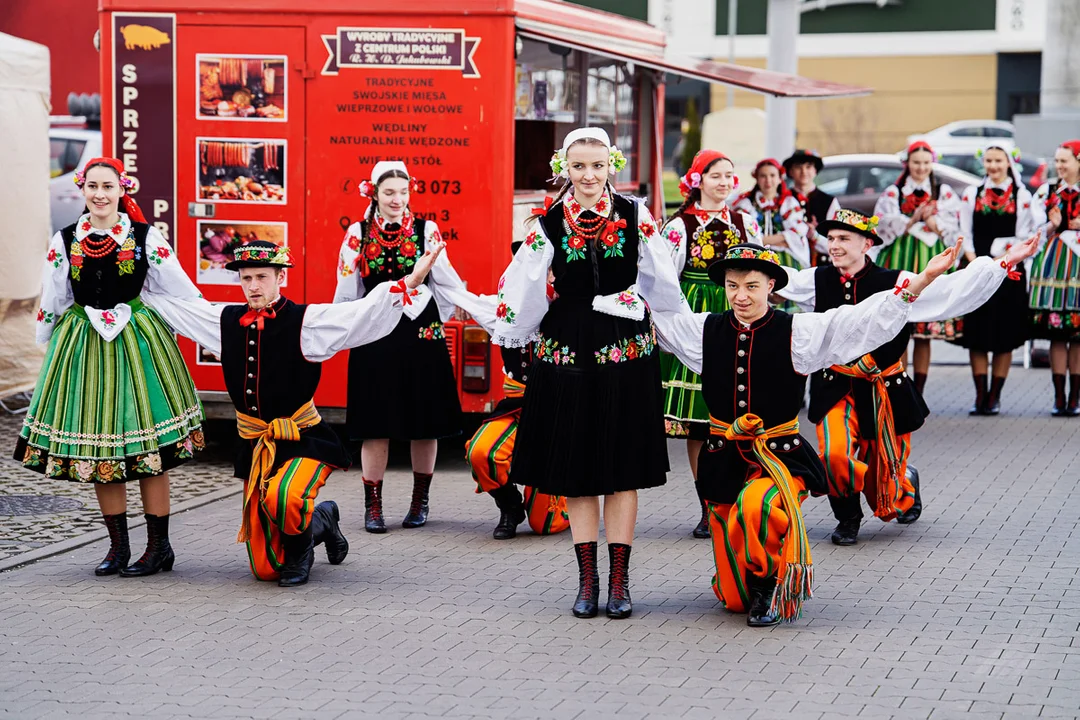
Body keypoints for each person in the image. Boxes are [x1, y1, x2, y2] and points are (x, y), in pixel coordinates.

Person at [653, 241, 963, 626]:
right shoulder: (705, 329)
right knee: (732, 597)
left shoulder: (796, 331)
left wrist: (925, 279)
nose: (740, 295)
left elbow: (859, 320)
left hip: (780, 457)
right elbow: (655, 317)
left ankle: (769, 587)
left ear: (771, 287)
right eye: (733, 286)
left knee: (758, 507)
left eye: (751, 286)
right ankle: (748, 586)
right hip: (724, 458)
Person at [154, 239, 445, 586]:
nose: (253, 286)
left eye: (262, 277)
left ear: (281, 278)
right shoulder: (226, 319)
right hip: (256, 444)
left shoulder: (306, 321)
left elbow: (359, 313)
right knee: (265, 569)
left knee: (285, 496)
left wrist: (409, 283)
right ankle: (323, 520)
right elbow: (180, 309)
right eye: (246, 278)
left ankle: (301, 553)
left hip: (302, 438)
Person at [492, 127, 687, 619]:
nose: (588, 176)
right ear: (564, 168)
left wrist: (667, 324)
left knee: (622, 469)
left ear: (610, 167)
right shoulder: (547, 223)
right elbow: (526, 289)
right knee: (578, 471)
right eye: (578, 166)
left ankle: (619, 581)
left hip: (625, 348)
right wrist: (516, 336)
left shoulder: (636, 215)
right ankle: (587, 580)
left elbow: (661, 283)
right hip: (569, 348)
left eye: (597, 166)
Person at [777, 209, 1039, 546]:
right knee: (834, 456)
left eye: (844, 239)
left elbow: (948, 290)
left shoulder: (897, 280)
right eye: (831, 239)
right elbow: (778, 278)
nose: (835, 245)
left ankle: (906, 482)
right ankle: (847, 518)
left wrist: (1003, 261)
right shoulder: (817, 279)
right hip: (836, 386)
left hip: (883, 388)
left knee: (883, 485)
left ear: (867, 244)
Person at [13, 157, 205, 578]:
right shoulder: (65, 239)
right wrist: (51, 344)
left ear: (122, 190)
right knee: (102, 447)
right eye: (92, 186)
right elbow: (54, 295)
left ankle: (159, 548)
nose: (100, 194)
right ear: (82, 190)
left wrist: (204, 325)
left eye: (108, 186)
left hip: (138, 344)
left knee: (149, 452)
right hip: (85, 345)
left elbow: (179, 288)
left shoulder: (144, 236)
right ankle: (118, 548)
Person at [334, 161, 483, 532]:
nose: (397, 199)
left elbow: (445, 281)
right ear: (374, 193)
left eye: (403, 192)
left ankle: (420, 501)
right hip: (375, 331)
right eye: (389, 192)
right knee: (375, 423)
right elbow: (346, 289)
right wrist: (342, 327)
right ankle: (373, 506)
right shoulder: (357, 233)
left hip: (420, 331)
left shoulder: (426, 230)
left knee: (424, 422)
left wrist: (448, 311)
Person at [660, 149, 762, 539]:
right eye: (716, 176)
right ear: (697, 181)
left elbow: (761, 268)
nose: (724, 183)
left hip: (738, 312)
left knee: (739, 411)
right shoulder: (679, 227)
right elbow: (667, 282)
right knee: (700, 423)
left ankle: (740, 496)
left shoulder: (744, 221)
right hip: (697, 318)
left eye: (729, 176)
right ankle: (708, 504)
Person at [464, 286, 570, 540]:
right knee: (481, 452)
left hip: (554, 412)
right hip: (515, 406)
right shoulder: (502, 310)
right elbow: (458, 292)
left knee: (545, 524)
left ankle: (564, 492)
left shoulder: (571, 307)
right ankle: (510, 506)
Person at [873, 141, 962, 394]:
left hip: (929, 258)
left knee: (924, 330)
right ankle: (899, 385)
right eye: (916, 163)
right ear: (907, 164)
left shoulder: (943, 191)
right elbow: (882, 224)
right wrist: (912, 219)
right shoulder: (894, 191)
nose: (921, 168)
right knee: (900, 327)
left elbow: (954, 225)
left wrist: (934, 222)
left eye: (925, 163)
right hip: (900, 258)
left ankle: (918, 390)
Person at [957, 145, 1035, 415]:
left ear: (1008, 162)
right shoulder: (972, 194)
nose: (993, 166)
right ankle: (980, 395)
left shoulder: (1022, 195)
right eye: (989, 160)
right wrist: (974, 262)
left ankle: (995, 396)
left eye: (998, 160)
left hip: (1009, 271)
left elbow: (1026, 235)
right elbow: (964, 232)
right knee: (977, 334)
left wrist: (1004, 258)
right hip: (978, 271)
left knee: (1005, 334)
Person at [1029, 139, 1080, 416]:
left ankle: (1075, 397)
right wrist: (1054, 225)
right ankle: (1059, 396)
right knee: (1058, 333)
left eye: (1064, 161)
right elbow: (1034, 228)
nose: (1059, 166)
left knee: (1078, 336)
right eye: (1057, 161)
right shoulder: (1047, 192)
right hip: (1054, 264)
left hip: (1078, 265)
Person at [731, 158, 811, 271]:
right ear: (757, 179)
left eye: (772, 175)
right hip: (755, 256)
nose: (768, 180)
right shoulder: (746, 204)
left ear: (779, 179)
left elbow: (798, 233)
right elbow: (745, 236)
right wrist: (783, 240)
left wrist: (763, 240)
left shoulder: (789, 203)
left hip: (788, 256)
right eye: (763, 176)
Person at [783, 149, 840, 267]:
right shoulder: (782, 199)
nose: (804, 171)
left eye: (808, 167)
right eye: (798, 167)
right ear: (791, 171)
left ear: (815, 171)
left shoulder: (829, 201)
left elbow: (837, 239)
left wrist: (814, 236)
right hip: (789, 262)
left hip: (822, 264)